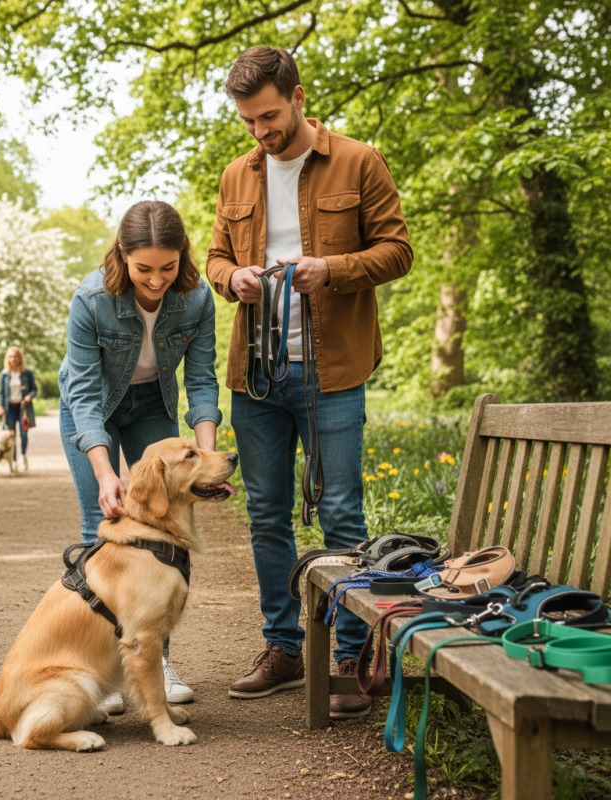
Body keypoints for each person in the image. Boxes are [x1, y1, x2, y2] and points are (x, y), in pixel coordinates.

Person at [206, 46, 413, 718]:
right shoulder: (237, 176)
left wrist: (335, 269)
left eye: (268, 117)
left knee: (341, 515)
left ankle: (352, 654)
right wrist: (229, 277)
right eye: (248, 123)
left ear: (297, 97)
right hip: (256, 376)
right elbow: (213, 254)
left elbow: (398, 251)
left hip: (335, 368)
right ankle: (284, 649)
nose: (260, 133)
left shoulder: (359, 160)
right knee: (266, 516)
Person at [59, 200, 222, 712]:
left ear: (182, 257)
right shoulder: (91, 299)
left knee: (166, 527)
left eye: (167, 267)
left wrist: (205, 456)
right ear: (122, 255)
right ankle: (106, 666)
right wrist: (107, 474)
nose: (156, 280)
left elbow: (200, 379)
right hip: (92, 410)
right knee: (102, 523)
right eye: (144, 268)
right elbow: (85, 395)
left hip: (153, 402)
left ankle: (157, 658)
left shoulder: (195, 299)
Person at [0, 347, 37, 471]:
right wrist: (0, 406)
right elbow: (1, 393)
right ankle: (13, 461)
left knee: (23, 434)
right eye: (10, 357)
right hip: (9, 408)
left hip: (23, 408)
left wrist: (29, 396)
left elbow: (34, 389)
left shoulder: (27, 373)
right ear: (7, 359)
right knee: (11, 436)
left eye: (15, 356)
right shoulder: (4, 374)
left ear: (20, 358)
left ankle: (23, 456)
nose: (13, 359)